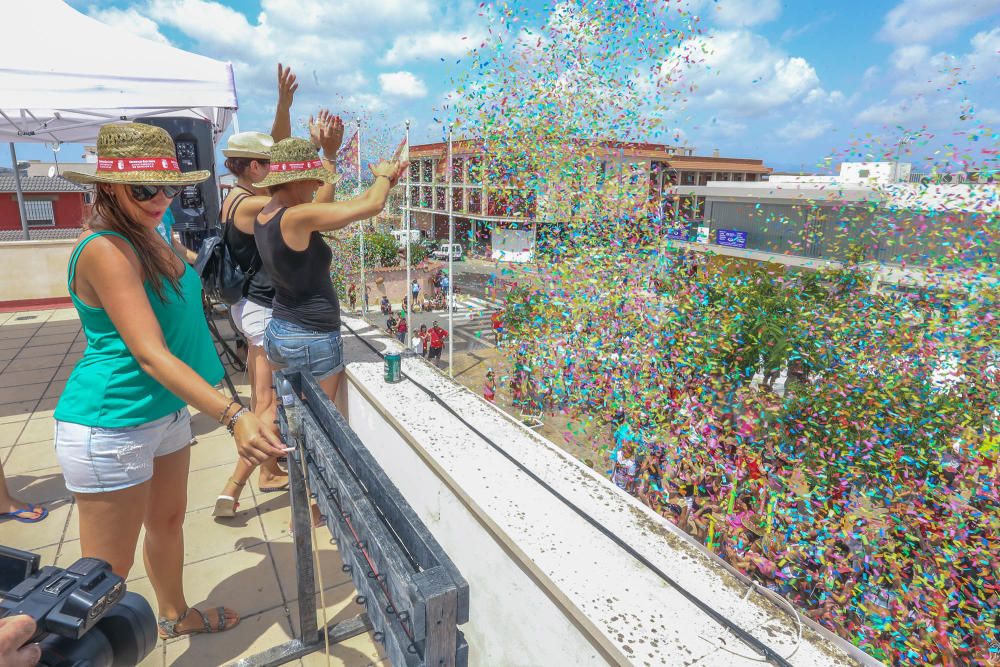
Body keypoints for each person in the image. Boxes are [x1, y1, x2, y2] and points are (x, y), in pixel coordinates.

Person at [58, 122, 286, 640]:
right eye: (144, 188)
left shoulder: (150, 230)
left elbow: (184, 275)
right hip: (112, 420)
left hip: (165, 412)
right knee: (102, 578)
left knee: (168, 524)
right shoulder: (105, 248)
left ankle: (175, 613)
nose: (160, 198)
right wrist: (232, 415)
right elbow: (149, 353)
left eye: (169, 187)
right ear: (107, 187)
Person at [254, 136, 406, 411]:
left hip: (281, 330)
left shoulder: (268, 213)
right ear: (298, 180)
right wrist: (383, 176)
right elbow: (371, 206)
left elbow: (348, 207)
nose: (318, 185)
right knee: (318, 425)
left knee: (289, 415)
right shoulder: (295, 217)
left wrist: (379, 186)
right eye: (315, 179)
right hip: (311, 338)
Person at [213, 64, 304, 518]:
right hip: (263, 310)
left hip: (247, 309)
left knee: (259, 398)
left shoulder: (231, 196)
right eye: (268, 163)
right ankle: (231, 489)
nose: (276, 169)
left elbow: (279, 161)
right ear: (252, 166)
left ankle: (268, 473)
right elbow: (289, 186)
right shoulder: (250, 205)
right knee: (266, 407)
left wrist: (284, 107)